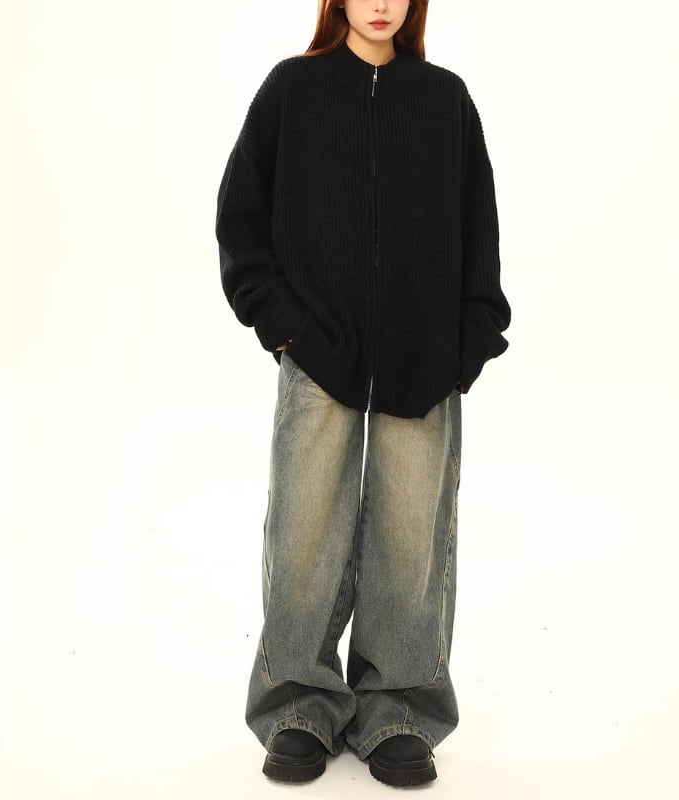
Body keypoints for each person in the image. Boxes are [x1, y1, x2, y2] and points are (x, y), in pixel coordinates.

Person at [215, 0, 510, 787]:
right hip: (318, 354)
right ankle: (298, 706)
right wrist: (282, 325)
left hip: (426, 358)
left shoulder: (445, 99)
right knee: (304, 533)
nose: (380, 3)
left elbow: (479, 225)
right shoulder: (292, 90)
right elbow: (241, 217)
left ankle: (399, 710)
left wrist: (471, 339)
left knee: (413, 540)